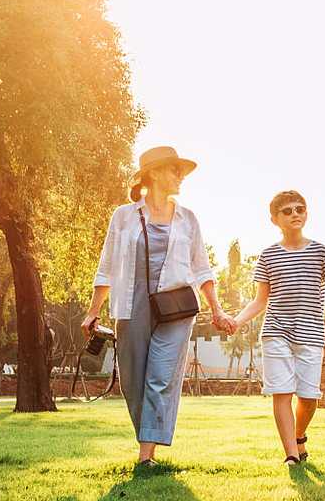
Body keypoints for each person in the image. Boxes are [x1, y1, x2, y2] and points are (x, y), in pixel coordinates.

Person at [83, 146, 235, 468]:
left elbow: (202, 269)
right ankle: (148, 436)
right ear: (152, 174)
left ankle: (145, 456)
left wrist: (217, 309)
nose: (180, 177)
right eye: (173, 170)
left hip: (175, 308)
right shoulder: (123, 216)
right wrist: (94, 310)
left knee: (160, 377)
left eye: (181, 172)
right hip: (132, 303)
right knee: (133, 380)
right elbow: (107, 266)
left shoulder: (188, 219)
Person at [229, 190, 325, 465]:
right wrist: (236, 321)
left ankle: (299, 436)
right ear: (275, 219)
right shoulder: (268, 255)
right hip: (276, 331)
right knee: (281, 392)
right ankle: (291, 454)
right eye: (288, 211)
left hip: (312, 334)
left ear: (306, 214)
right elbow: (260, 301)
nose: (295, 214)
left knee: (308, 397)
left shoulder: (321, 252)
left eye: (300, 209)